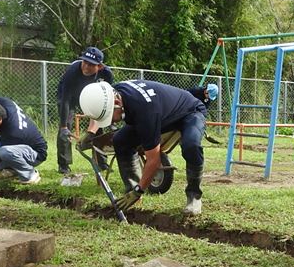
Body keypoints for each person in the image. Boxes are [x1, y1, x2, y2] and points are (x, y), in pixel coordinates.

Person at [78, 79, 208, 215]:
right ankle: (131, 189)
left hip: (190, 112)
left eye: (109, 117)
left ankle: (194, 196)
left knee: (191, 144)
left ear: (116, 103)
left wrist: (139, 191)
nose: (110, 122)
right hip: (163, 113)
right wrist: (90, 133)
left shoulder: (145, 112)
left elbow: (154, 161)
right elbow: (101, 108)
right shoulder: (112, 92)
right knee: (120, 140)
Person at [56, 46, 113, 174]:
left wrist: (101, 119)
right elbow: (65, 99)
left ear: (99, 66)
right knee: (65, 129)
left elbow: (108, 96)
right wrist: (64, 126)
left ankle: (102, 163)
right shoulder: (72, 71)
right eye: (85, 62)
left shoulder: (106, 73)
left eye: (91, 65)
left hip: (89, 97)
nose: (86, 67)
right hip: (68, 97)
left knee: (99, 127)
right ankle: (64, 165)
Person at [0, 98, 48, 185]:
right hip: (16, 146)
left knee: (4, 151)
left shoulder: (13, 132)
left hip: (35, 154)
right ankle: (10, 170)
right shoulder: (2, 102)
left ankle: (30, 174)